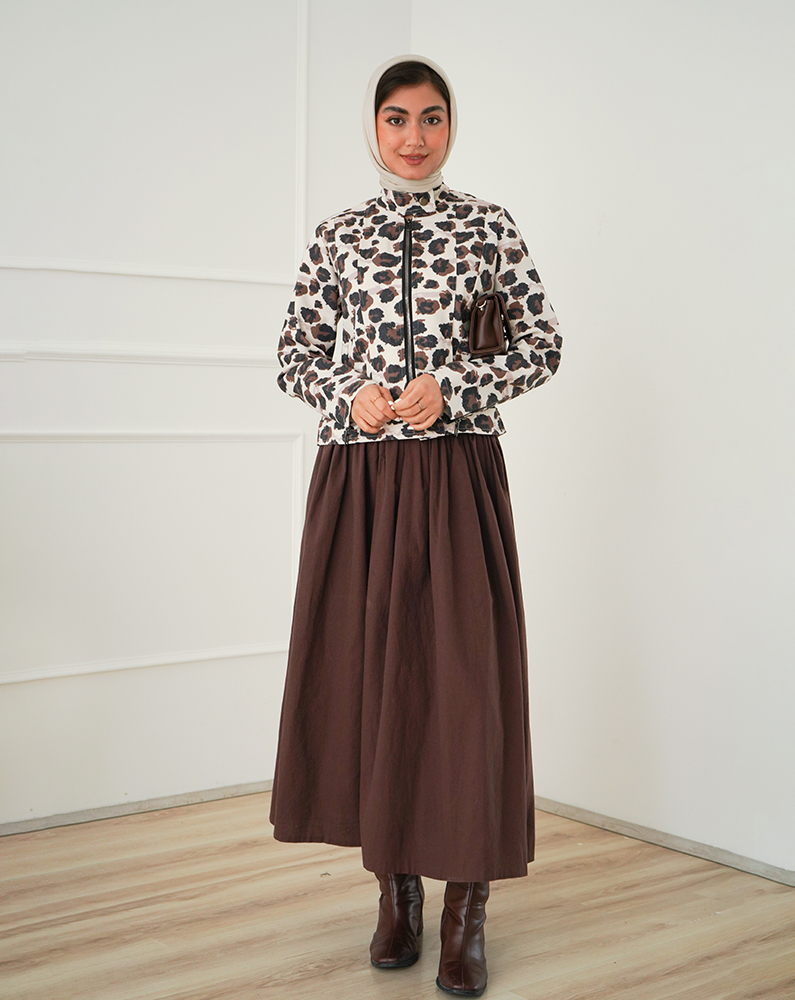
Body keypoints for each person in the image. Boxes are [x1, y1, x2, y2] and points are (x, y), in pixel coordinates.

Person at [269, 54, 561, 998]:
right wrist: (345, 392)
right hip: (359, 481)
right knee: (368, 679)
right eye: (396, 118)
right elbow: (294, 351)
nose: (414, 136)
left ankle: (467, 908)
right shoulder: (338, 235)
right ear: (373, 127)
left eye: (431, 117)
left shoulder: (488, 226)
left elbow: (542, 343)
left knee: (467, 686)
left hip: (456, 477)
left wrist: (459, 387)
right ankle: (395, 892)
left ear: (451, 126)